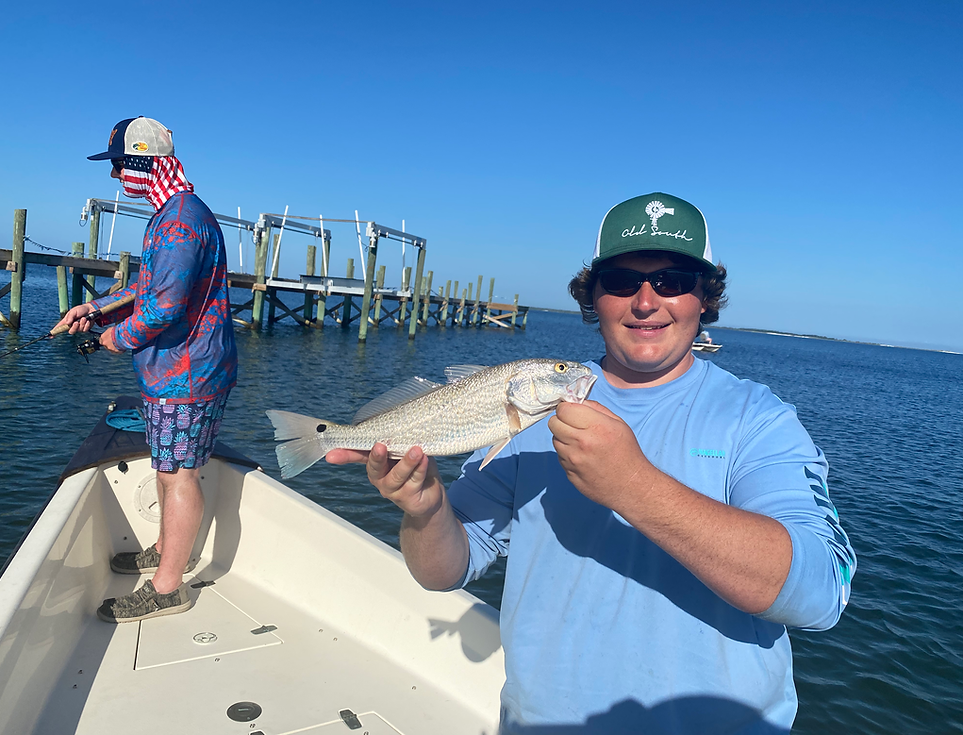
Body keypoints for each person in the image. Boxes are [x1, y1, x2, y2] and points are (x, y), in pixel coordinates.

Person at [328, 192, 856, 734]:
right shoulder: (530, 403)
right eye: (622, 282)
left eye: (673, 281)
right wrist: (425, 509)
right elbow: (443, 571)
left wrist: (633, 486)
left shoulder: (760, 419)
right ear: (594, 298)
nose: (646, 301)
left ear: (705, 299)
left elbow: (821, 595)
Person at [56, 117, 237, 624]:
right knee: (165, 466)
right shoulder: (168, 215)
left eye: (118, 165)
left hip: (189, 376)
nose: (115, 177)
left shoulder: (180, 220)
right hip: (170, 374)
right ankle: (166, 549)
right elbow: (146, 286)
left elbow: (167, 306)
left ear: (142, 161)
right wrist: (96, 311)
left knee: (179, 474)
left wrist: (117, 338)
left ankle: (166, 589)